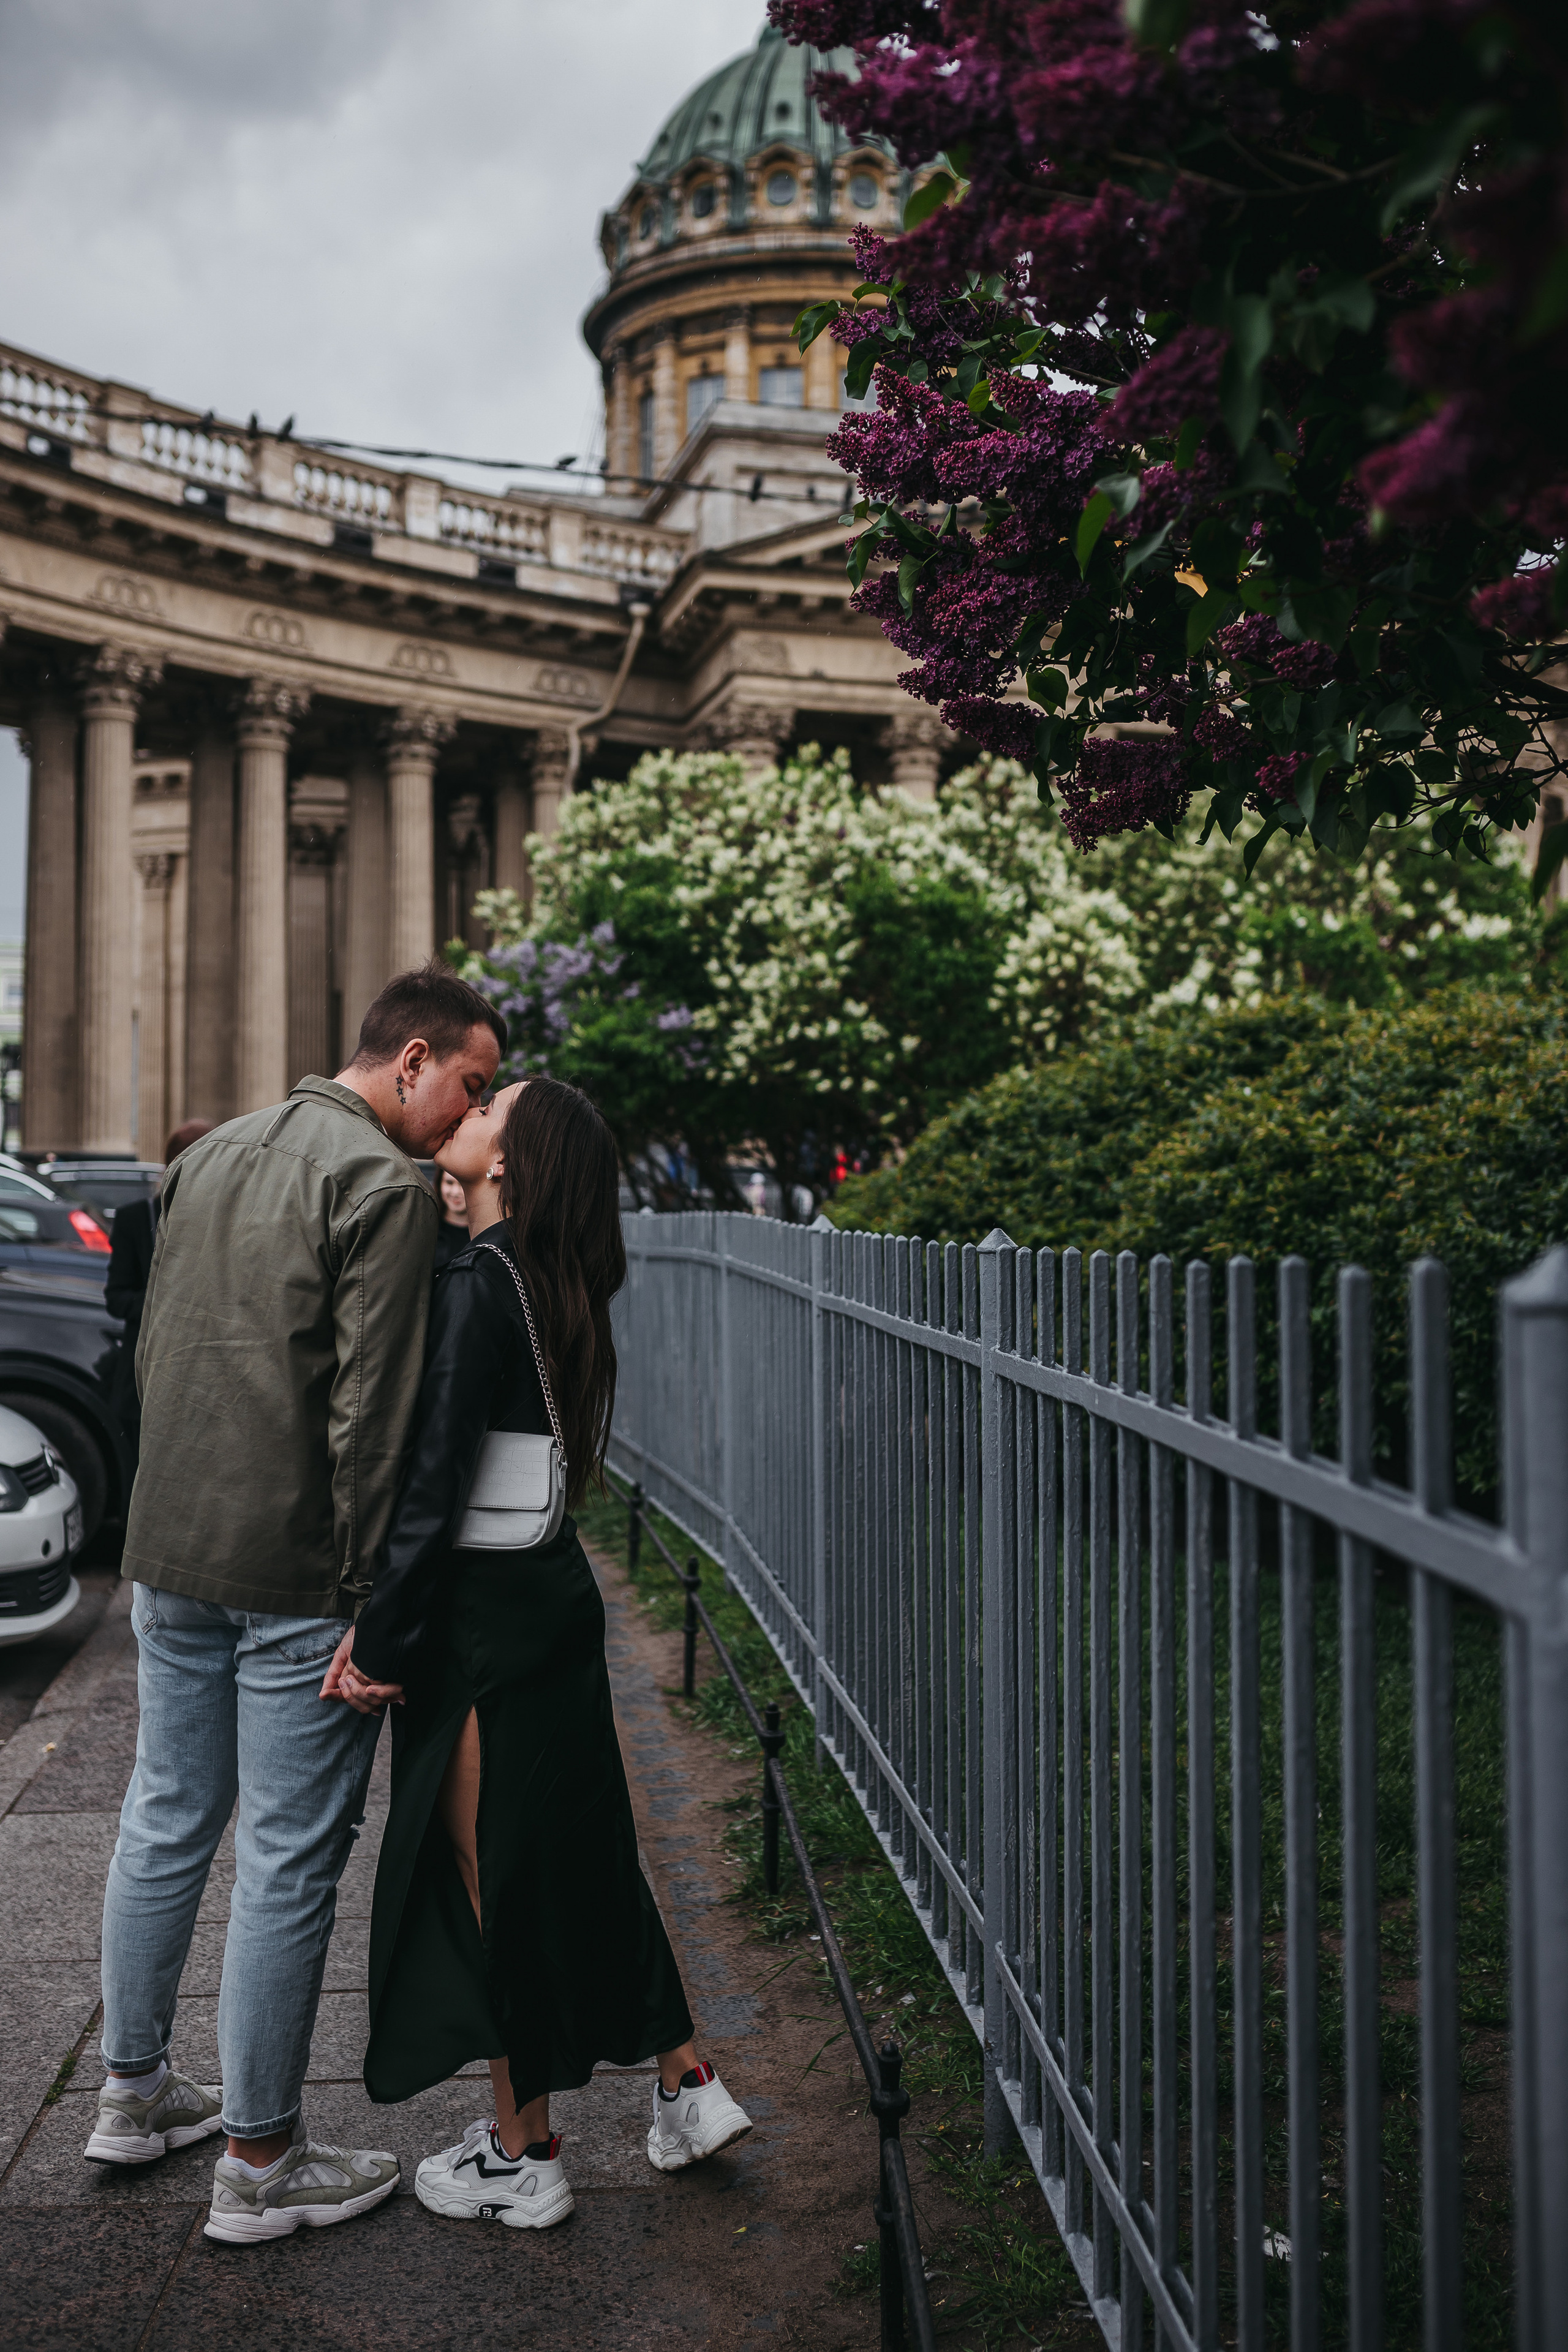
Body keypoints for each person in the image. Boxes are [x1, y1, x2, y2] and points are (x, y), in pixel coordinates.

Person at [87, 962, 504, 2248]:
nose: (466, 1116)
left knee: (164, 1815)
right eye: (471, 1087)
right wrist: (374, 1609)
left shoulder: (208, 1158)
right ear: (415, 1057)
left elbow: (160, 1350)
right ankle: (262, 2160)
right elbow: (368, 1420)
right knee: (283, 1858)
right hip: (293, 1570)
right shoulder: (378, 1184)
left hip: (171, 1546)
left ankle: (135, 2092)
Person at [330, 1074, 751, 2229]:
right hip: (551, 1594)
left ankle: (526, 2155)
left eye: (481, 1116)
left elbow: (434, 1483)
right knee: (579, 1851)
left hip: (484, 1618)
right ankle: (686, 2079)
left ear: (505, 1163)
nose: (455, 1122)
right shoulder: (561, 1280)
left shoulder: (477, 1283)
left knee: (495, 1884)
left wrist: (381, 1636)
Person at [105, 1120, 214, 1452]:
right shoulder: (136, 1219)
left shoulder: (226, 1219)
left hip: (206, 1379)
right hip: (147, 1375)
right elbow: (116, 1298)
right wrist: (170, 1303)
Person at [432, 1166, 470, 1272]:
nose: (455, 1192)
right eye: (449, 1183)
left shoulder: (486, 1234)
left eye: (462, 1184)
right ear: (440, 1183)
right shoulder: (428, 1227)